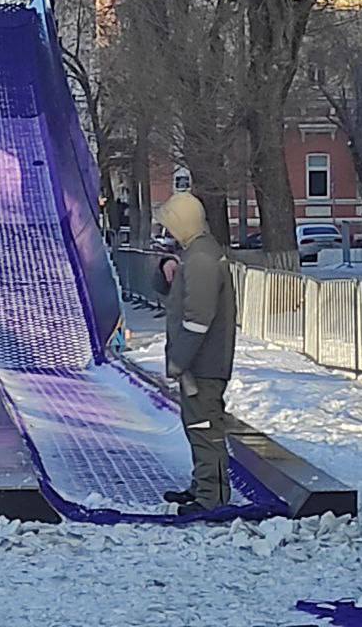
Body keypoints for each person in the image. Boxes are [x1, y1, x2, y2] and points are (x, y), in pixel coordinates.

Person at [153, 192, 237, 516]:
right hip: (199, 363)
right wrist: (167, 265)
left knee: (205, 427)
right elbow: (169, 291)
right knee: (197, 425)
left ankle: (211, 497)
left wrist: (179, 360)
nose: (167, 232)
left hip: (204, 364)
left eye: (170, 224)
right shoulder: (195, 254)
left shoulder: (201, 260)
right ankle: (203, 485)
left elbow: (198, 320)